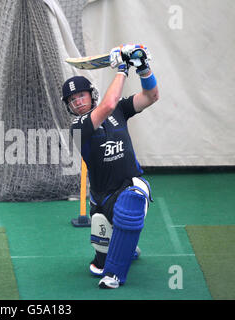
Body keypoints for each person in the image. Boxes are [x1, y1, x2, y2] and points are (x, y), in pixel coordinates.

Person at [62, 44, 159, 289]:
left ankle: (115, 275)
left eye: (81, 95)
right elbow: (105, 106)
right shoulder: (77, 129)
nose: (78, 102)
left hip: (128, 185)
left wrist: (144, 69)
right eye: (72, 100)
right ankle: (123, 245)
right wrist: (122, 69)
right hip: (101, 199)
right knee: (99, 265)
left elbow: (151, 96)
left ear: (91, 94)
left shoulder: (119, 109)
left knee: (133, 199)